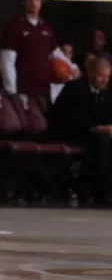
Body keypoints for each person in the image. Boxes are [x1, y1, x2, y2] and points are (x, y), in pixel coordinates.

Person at [51, 55, 112, 205]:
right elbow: (65, 117)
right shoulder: (74, 89)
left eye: (107, 77)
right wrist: (94, 128)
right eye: (100, 76)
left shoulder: (106, 94)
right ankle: (100, 193)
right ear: (91, 72)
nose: (104, 80)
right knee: (101, 143)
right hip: (72, 133)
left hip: (98, 135)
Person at [1, 0, 60, 100]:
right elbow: (7, 61)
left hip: (44, 89)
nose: (34, 2)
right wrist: (12, 91)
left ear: (41, 2)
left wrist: (72, 68)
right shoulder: (15, 27)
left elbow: (56, 52)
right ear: (24, 2)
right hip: (23, 90)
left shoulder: (47, 27)